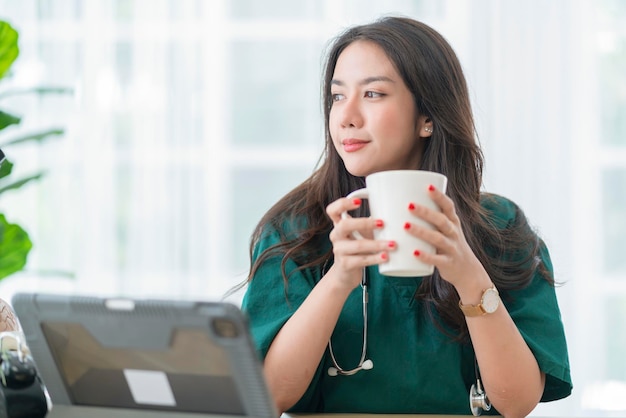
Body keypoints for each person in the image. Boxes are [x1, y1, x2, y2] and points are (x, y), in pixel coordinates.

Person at [240, 16, 572, 417]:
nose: (346, 116)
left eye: (374, 94)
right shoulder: (295, 228)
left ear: (427, 118)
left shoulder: (501, 228)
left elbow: (517, 402)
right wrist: (339, 278)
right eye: (337, 96)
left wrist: (469, 276)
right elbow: (267, 396)